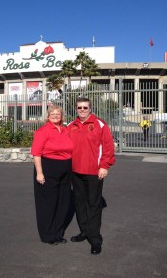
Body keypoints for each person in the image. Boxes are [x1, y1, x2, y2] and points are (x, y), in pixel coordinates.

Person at [68, 97, 115, 255]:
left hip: (94, 172)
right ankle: (84, 232)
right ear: (76, 109)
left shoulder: (100, 124)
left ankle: (95, 239)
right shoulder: (70, 126)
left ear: (90, 108)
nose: (82, 110)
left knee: (94, 205)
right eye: (79, 107)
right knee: (79, 204)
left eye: (85, 107)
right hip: (75, 172)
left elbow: (108, 147)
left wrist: (104, 166)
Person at [31, 105, 73, 246]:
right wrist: (40, 173)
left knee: (63, 202)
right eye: (52, 114)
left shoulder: (66, 130)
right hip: (48, 168)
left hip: (65, 169)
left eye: (58, 114)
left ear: (62, 116)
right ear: (48, 116)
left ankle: (58, 232)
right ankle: (48, 235)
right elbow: (36, 153)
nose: (55, 116)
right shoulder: (43, 131)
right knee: (48, 203)